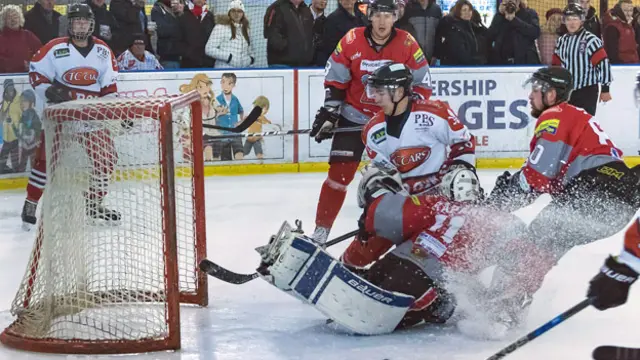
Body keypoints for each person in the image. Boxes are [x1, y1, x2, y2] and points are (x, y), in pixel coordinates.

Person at [255, 162, 539, 335]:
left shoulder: (435, 205)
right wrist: (509, 300)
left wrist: (370, 214)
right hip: (430, 285)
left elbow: (390, 218)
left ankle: (289, 261)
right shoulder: (494, 220)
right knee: (448, 301)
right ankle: (443, 309)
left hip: (400, 264)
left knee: (374, 281)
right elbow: (524, 255)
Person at [484, 65, 640, 331]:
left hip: (595, 192)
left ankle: (503, 308)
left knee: (534, 242)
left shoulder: (555, 116)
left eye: (535, 90)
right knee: (546, 243)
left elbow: (538, 176)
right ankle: (509, 303)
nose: (530, 96)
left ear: (552, 94)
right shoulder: (575, 115)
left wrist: (499, 200)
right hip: (617, 201)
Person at [308, 0, 433, 244]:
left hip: (390, 122)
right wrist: (331, 112)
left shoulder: (407, 42)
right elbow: (336, 78)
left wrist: (406, 112)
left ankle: (404, 230)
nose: (383, 22)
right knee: (338, 176)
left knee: (401, 178)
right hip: (354, 115)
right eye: (378, 16)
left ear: (395, 18)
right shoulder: (352, 39)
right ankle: (320, 232)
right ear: (370, 17)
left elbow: (422, 83)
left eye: (388, 16)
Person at [21, 3, 120, 230]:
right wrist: (47, 90)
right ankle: (31, 201)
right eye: (76, 21)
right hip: (62, 116)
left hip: (90, 118)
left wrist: (114, 109)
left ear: (91, 24)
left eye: (85, 21)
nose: (81, 25)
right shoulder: (55, 48)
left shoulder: (103, 51)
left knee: (106, 159)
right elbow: (36, 73)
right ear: (70, 24)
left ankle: (94, 202)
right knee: (46, 161)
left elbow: (109, 88)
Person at [552, 3, 612, 116]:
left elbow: (603, 64)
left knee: (584, 126)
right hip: (567, 91)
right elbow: (556, 65)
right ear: (564, 21)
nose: (572, 23)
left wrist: (605, 89)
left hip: (587, 91)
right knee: (569, 125)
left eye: (575, 19)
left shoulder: (591, 40)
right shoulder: (561, 41)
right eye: (568, 19)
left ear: (581, 20)